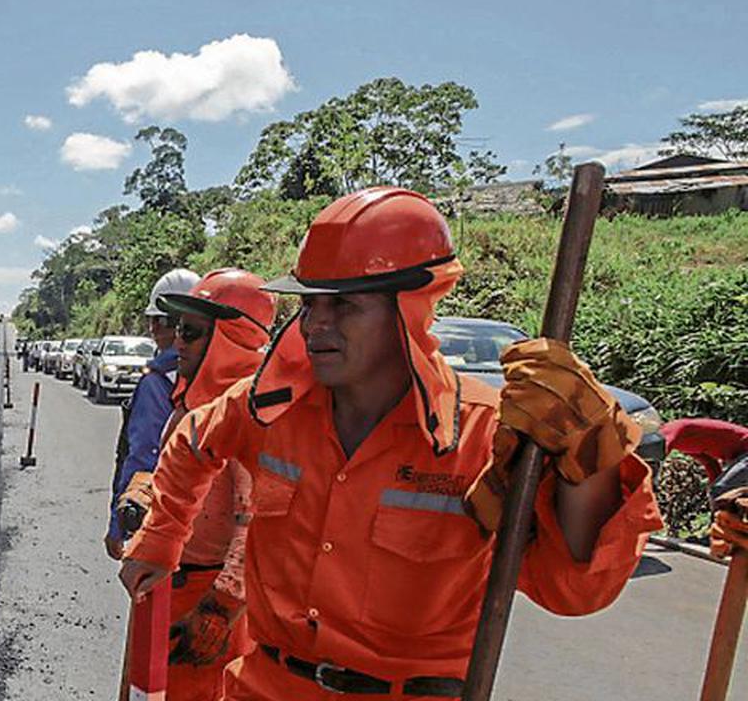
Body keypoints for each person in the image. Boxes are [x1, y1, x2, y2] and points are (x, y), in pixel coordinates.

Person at [120, 187, 662, 700]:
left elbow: (577, 592)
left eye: (346, 306)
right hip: (265, 685)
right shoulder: (268, 407)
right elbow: (193, 438)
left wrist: (589, 459)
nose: (315, 325)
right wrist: (159, 540)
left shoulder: (483, 435)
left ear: (409, 310)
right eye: (310, 304)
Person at [118, 268, 274, 700]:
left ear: (230, 338)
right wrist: (142, 491)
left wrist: (220, 610)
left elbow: (255, 523)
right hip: (168, 586)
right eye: (177, 328)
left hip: (206, 601)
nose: (177, 341)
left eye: (191, 331)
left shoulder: (250, 415)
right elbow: (176, 477)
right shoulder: (189, 402)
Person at [105, 268, 198, 559]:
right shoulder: (222, 376)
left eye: (155, 321)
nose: (152, 329)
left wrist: (118, 525)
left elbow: (144, 456)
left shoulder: (157, 382)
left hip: (163, 522)